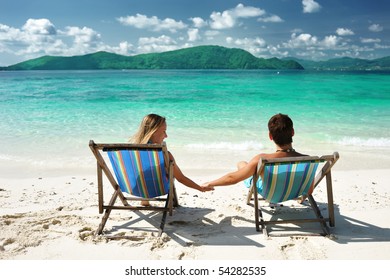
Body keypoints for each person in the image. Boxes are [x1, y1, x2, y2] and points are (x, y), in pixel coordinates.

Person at [202, 113, 308, 199]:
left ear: (270, 136)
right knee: (245, 165)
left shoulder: (262, 159)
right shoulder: (308, 160)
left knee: (241, 164)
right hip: (295, 192)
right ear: (293, 132)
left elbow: (232, 178)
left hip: (271, 194)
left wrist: (210, 183)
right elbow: (310, 190)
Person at [130, 114, 214, 206]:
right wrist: (200, 188)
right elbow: (181, 178)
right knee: (169, 172)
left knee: (145, 171)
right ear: (153, 132)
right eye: (164, 131)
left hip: (135, 188)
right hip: (158, 189)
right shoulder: (164, 154)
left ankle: (144, 200)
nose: (166, 136)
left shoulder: (130, 152)